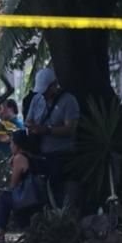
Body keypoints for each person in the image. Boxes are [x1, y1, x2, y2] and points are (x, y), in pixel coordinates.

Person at [24, 67, 80, 207]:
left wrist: (47, 130)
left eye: (46, 91)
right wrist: (32, 128)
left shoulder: (68, 101)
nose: (44, 95)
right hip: (41, 153)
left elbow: (70, 129)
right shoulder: (37, 99)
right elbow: (28, 120)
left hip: (62, 154)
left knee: (60, 192)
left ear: (54, 85)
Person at [0, 129, 38, 243]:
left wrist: (12, 166)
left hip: (28, 199)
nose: (10, 146)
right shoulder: (30, 155)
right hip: (35, 197)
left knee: (4, 197)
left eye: (12, 143)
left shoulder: (19, 158)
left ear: (17, 145)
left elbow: (13, 184)